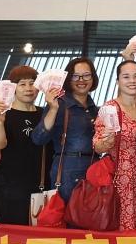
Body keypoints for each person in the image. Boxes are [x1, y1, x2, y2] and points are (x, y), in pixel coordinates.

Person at [93, 60, 136, 230]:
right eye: (126, 77)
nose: (132, 81)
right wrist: (107, 141)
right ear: (118, 81)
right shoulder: (110, 108)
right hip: (118, 174)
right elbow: (97, 145)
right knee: (119, 221)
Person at [32, 58, 99, 202]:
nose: (81, 80)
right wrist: (53, 109)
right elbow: (38, 138)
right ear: (68, 79)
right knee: (68, 215)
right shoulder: (59, 104)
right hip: (68, 172)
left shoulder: (95, 109)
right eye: (75, 76)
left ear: (93, 78)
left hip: (94, 170)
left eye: (86, 75)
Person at [0, 65, 49, 225]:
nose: (28, 88)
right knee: (15, 233)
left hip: (43, 184)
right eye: (22, 84)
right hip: (13, 186)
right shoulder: (4, 113)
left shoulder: (45, 113)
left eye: (32, 83)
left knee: (42, 234)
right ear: (13, 88)